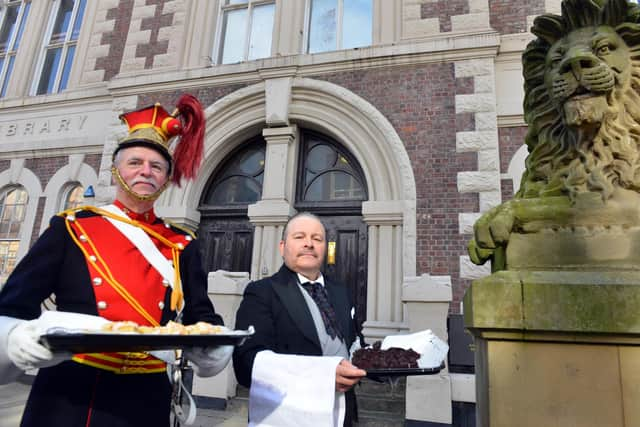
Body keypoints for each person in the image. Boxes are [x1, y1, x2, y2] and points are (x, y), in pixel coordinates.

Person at [0, 94, 232, 427]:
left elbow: (200, 315)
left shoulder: (183, 243)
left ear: (166, 179)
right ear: (116, 170)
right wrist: (17, 337)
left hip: (147, 396)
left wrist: (214, 343)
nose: (145, 172)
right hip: (72, 396)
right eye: (135, 162)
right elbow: (12, 305)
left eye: (156, 166)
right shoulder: (71, 227)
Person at [233, 212, 366, 426]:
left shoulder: (341, 291)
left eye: (317, 238)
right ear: (282, 247)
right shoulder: (262, 292)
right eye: (299, 237)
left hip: (343, 415)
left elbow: (355, 345)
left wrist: (387, 363)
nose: (309, 244)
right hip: (289, 415)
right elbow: (247, 364)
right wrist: (322, 376)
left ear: (325, 248)